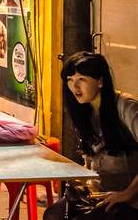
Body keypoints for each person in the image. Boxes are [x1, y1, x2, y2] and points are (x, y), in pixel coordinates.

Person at [43, 52, 138, 220]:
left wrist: (127, 194)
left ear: (100, 81)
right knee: (53, 214)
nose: (74, 87)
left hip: (129, 202)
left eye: (82, 79)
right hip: (101, 197)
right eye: (70, 80)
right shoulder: (84, 110)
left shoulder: (126, 107)